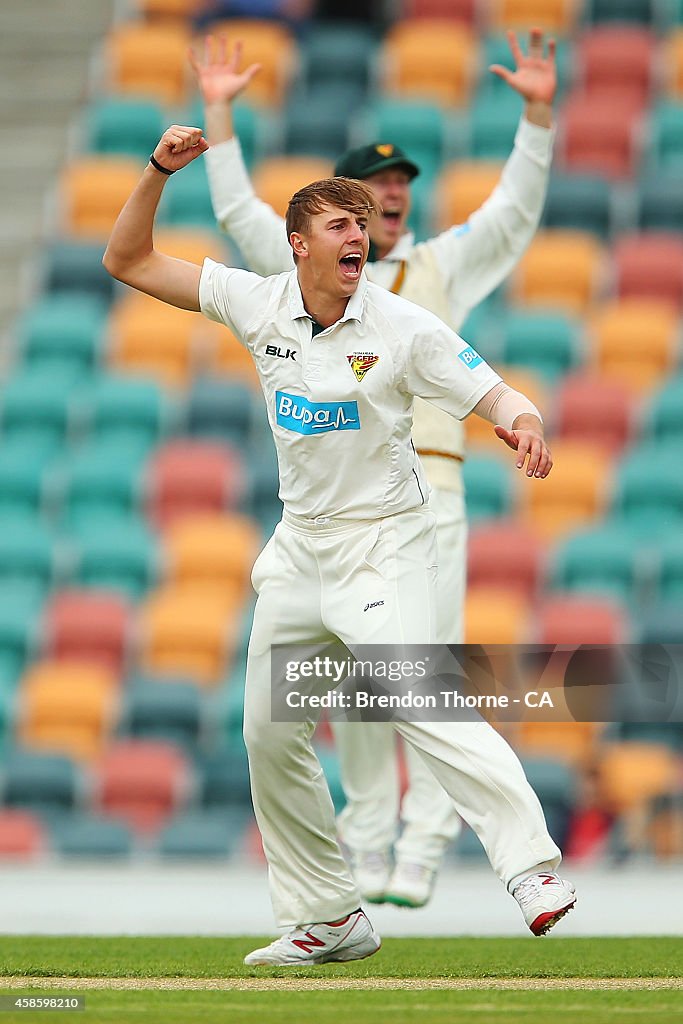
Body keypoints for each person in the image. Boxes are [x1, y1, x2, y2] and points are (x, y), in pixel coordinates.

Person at [103, 127, 576, 963]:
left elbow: (496, 394)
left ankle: (531, 867)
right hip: (299, 550)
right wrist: (156, 173)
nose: (359, 235)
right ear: (298, 247)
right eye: (339, 225)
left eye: (363, 224)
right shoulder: (257, 300)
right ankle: (330, 914)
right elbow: (128, 260)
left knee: (419, 696)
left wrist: (524, 425)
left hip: (385, 544)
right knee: (265, 734)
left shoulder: (401, 324)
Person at [192, 28, 557, 907]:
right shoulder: (290, 287)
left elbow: (510, 213)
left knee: (420, 674)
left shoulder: (433, 273)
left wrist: (538, 118)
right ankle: (361, 847)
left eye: (398, 190)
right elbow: (244, 218)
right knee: (342, 690)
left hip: (428, 492)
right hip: (326, 511)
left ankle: (425, 848)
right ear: (329, 223)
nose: (392, 198)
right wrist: (219, 114)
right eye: (373, 190)